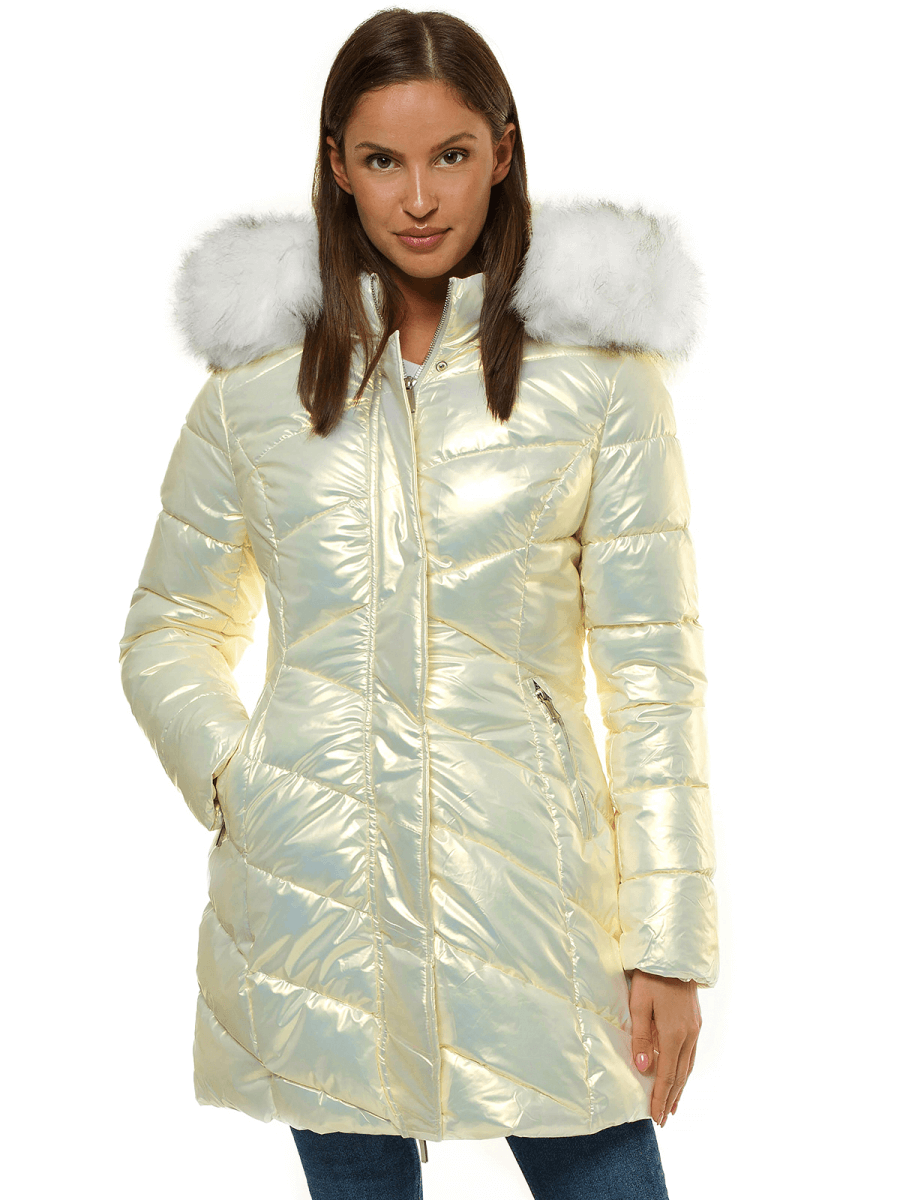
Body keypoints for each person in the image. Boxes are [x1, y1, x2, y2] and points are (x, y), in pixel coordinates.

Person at [118, 8, 719, 1199]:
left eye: (450, 154)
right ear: (337, 167)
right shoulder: (255, 386)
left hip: (533, 897)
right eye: (382, 160)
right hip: (317, 902)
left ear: (502, 149)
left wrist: (667, 941)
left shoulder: (600, 381)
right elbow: (170, 631)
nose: (421, 198)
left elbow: (652, 672)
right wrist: (246, 784)